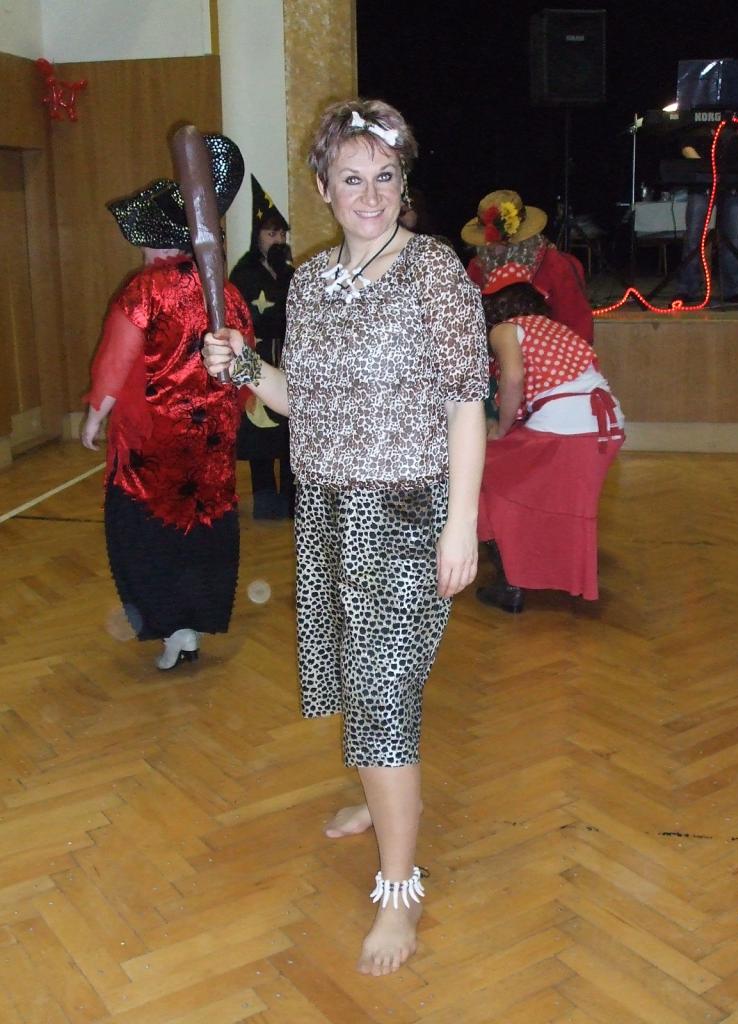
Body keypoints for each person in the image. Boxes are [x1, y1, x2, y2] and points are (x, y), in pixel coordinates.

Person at [203, 99, 488, 975]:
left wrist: (462, 522)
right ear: (324, 189)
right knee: (368, 685)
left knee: (383, 694)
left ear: (404, 183)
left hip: (406, 512)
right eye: (352, 179)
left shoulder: (433, 271)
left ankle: (399, 889)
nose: (370, 196)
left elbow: (465, 401)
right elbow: (302, 401)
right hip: (328, 511)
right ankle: (380, 790)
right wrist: (243, 365)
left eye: (386, 177)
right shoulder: (313, 281)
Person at [81, 134, 252, 670]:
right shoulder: (228, 294)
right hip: (210, 444)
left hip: (151, 445)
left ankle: (172, 625)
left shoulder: (144, 291)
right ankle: (192, 626)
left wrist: (94, 415)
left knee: (148, 533)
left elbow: (115, 360)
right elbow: (243, 366)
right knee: (202, 528)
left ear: (158, 244)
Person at [477, 261, 624, 613]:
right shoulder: (555, 328)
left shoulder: (506, 330)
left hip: (565, 426)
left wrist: (500, 429)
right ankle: (561, 572)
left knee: (482, 474)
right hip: (606, 425)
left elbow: (513, 379)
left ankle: (511, 581)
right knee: (557, 502)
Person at [229, 176, 295, 518]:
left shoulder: (290, 273)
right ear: (258, 236)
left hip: (288, 361)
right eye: (271, 234)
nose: (278, 240)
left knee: (290, 433)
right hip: (258, 360)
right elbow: (242, 319)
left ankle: (293, 500)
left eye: (281, 234)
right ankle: (266, 502)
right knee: (260, 434)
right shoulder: (244, 273)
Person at [462, 189, 594, 342]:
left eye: (505, 243)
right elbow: (468, 324)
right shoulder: (477, 268)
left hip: (547, 351)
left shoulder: (556, 266)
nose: (494, 249)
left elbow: (579, 329)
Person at [673, 123, 738, 304]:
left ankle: (733, 290)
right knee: (694, 237)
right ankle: (687, 288)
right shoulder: (698, 126)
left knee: (731, 239)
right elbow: (686, 146)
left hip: (733, 185)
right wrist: (706, 171)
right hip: (702, 186)